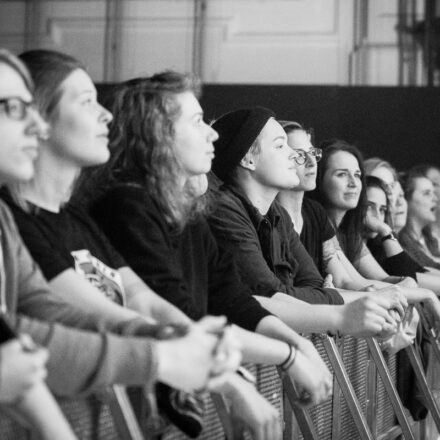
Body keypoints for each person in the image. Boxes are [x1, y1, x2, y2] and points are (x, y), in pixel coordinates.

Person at [0, 48, 240, 439]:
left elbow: (40, 316)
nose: (34, 124)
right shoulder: (109, 206)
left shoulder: (19, 220)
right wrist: (165, 355)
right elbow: (31, 335)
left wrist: (169, 338)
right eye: (13, 108)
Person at [207, 107, 400, 337]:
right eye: (280, 146)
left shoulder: (278, 216)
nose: (295, 155)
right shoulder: (224, 210)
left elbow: (313, 285)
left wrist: (312, 298)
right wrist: (357, 301)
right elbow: (270, 295)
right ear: (248, 159)